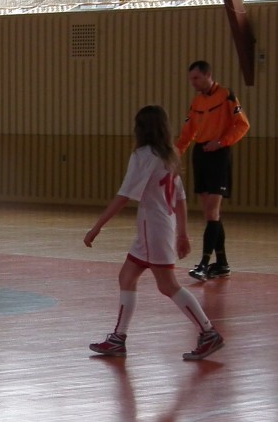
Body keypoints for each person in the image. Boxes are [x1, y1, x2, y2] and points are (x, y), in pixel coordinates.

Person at [85, 105, 224, 361]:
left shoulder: (143, 155)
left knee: (168, 285)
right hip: (159, 227)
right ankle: (118, 338)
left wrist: (97, 226)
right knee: (127, 276)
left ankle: (208, 332)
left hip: (153, 229)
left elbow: (125, 195)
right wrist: (182, 233)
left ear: (141, 129)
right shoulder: (169, 155)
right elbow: (180, 198)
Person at [175, 60, 250, 281]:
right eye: (191, 79)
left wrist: (222, 142)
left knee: (211, 212)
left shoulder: (227, 95)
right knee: (211, 214)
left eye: (196, 78)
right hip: (201, 154)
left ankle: (204, 264)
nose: (193, 83)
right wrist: (176, 154)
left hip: (218, 155)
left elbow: (243, 124)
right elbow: (188, 131)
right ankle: (223, 263)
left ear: (208, 75)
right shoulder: (196, 101)